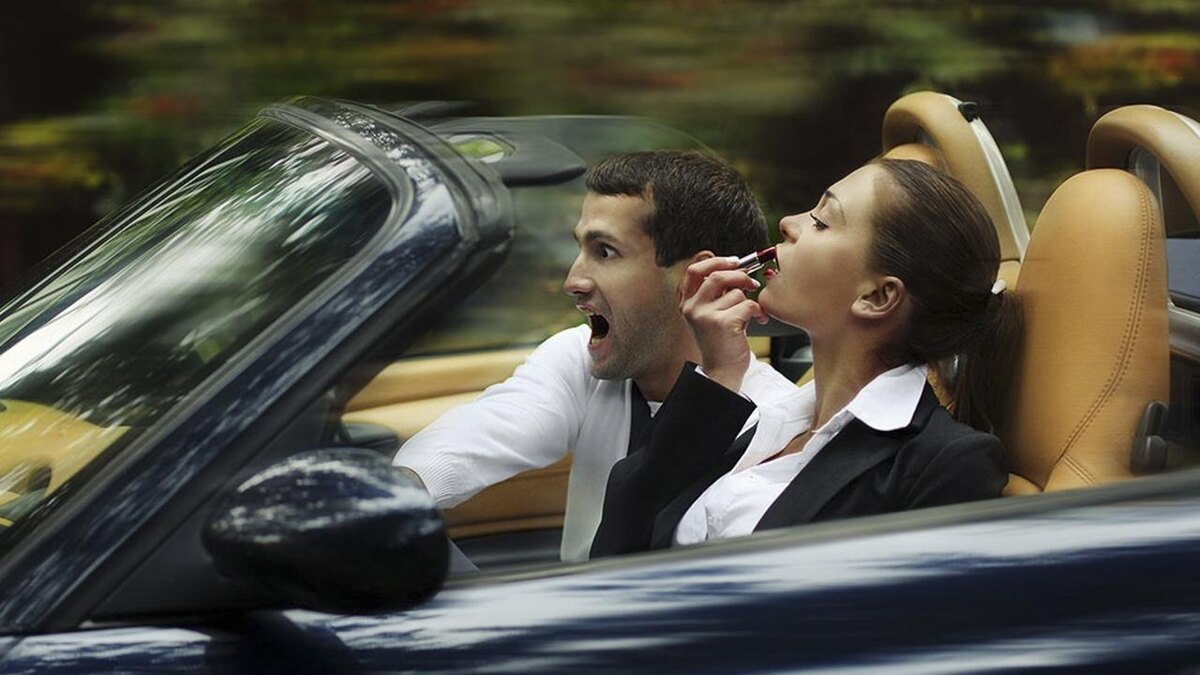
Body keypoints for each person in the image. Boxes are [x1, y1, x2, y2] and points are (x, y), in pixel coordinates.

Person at [591, 158, 1018, 557]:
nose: (788, 223)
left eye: (821, 221)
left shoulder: (942, 464)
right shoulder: (759, 416)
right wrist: (718, 373)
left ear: (877, 297)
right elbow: (615, 548)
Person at [394, 151, 798, 563]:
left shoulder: (775, 430)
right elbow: (481, 433)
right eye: (580, 249)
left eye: (605, 252)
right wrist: (394, 492)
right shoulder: (580, 359)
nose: (573, 282)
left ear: (697, 280)